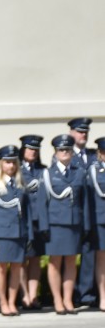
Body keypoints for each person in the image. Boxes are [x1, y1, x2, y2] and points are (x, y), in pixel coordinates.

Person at [0, 146, 36, 317]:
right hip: (2, 233)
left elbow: (27, 212)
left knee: (16, 267)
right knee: (1, 268)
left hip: (19, 232)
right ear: (1, 164)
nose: (11, 166)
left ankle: (12, 301)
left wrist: (29, 234)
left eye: (13, 162)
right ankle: (3, 302)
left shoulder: (21, 184)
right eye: (7, 162)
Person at [43, 134, 88, 315]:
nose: (65, 153)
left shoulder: (79, 173)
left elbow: (84, 202)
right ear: (55, 152)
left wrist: (86, 225)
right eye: (62, 150)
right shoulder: (48, 174)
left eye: (68, 150)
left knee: (70, 261)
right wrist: (44, 226)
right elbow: (42, 203)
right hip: (55, 224)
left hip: (73, 224)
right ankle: (57, 299)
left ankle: (68, 299)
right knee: (55, 262)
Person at [69, 117, 98, 308]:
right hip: (71, 212)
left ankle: (87, 293)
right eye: (80, 131)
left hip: (93, 212)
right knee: (68, 256)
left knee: (90, 254)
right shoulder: (65, 154)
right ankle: (68, 295)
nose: (83, 134)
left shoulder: (94, 156)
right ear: (71, 132)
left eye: (85, 131)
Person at [19, 134, 46, 309]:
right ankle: (24, 296)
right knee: (21, 259)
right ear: (23, 150)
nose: (33, 152)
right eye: (30, 149)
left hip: (37, 220)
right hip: (21, 220)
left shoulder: (43, 170)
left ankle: (33, 295)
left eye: (36, 149)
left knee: (35, 258)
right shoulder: (16, 169)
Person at [88, 138, 105, 311]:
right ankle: (103, 297)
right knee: (102, 259)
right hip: (101, 219)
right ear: (99, 153)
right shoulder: (94, 170)